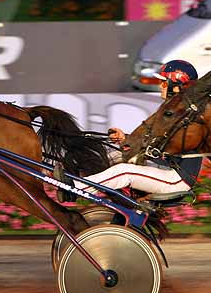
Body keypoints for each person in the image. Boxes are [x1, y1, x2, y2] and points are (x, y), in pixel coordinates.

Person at [72, 60, 203, 196]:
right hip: (162, 167)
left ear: (176, 87)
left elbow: (164, 148)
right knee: (116, 153)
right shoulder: (173, 110)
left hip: (177, 178)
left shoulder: (187, 116)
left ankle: (75, 187)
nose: (160, 86)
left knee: (124, 171)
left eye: (164, 82)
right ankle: (74, 172)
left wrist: (134, 146)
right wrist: (126, 139)